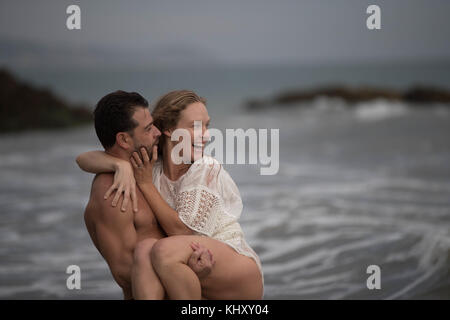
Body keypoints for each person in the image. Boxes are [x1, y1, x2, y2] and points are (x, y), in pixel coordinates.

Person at [77, 90, 264, 300]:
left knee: (158, 250)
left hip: (231, 266)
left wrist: (143, 182)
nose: (207, 135)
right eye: (195, 126)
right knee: (149, 249)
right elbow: (84, 158)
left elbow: (181, 230)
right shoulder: (149, 165)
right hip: (189, 267)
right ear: (168, 130)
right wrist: (119, 165)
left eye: (206, 125)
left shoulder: (203, 168)